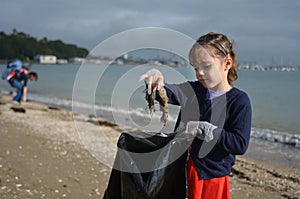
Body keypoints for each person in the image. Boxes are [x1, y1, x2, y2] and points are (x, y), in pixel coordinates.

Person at [141, 32, 252, 199]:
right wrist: (156, 80)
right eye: (195, 68)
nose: (199, 73)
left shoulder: (239, 101)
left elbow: (239, 144)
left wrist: (204, 129)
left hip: (211, 177)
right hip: (180, 170)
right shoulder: (193, 91)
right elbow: (166, 93)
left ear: (227, 63)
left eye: (206, 66)